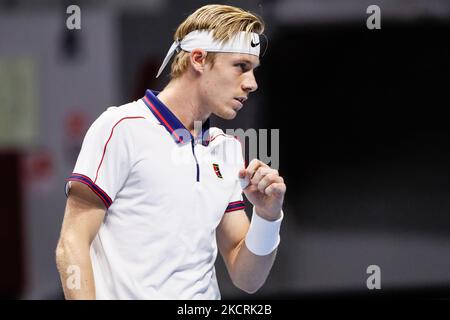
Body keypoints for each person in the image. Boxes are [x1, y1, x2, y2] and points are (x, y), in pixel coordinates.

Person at [56, 4, 286, 300]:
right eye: (241, 66)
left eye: (253, 70)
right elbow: (72, 243)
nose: (251, 83)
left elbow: (247, 278)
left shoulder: (227, 149)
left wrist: (268, 217)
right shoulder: (120, 128)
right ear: (199, 58)